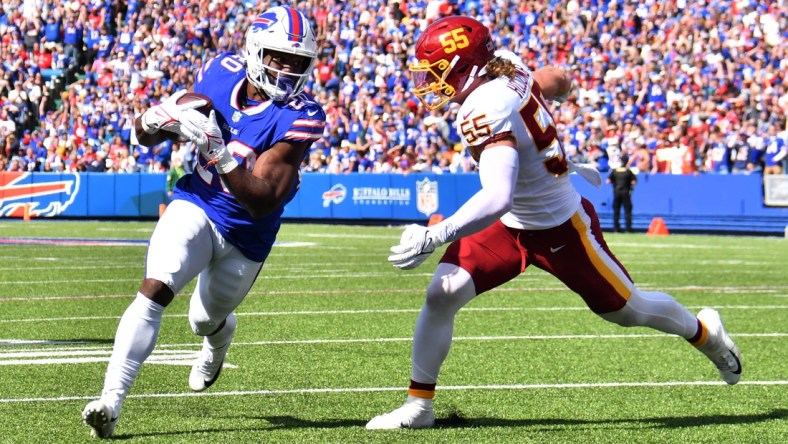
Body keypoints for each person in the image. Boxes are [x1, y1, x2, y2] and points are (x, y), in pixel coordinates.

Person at [366, 15, 742, 430]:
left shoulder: (483, 105)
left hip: (560, 225)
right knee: (443, 293)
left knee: (629, 309)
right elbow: (553, 79)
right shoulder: (504, 63)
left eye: (441, 73)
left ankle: (706, 333)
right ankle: (420, 405)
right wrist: (563, 90)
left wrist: (434, 235)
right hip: (509, 226)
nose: (432, 84)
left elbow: (496, 195)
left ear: (468, 68)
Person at [82, 6, 325, 439]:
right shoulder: (219, 72)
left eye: (298, 62)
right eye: (278, 57)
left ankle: (218, 337)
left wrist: (220, 151)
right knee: (155, 288)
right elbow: (148, 134)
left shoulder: (301, 115)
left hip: (246, 234)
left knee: (203, 320)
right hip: (198, 201)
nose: (288, 69)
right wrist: (152, 118)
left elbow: (262, 201)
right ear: (253, 50)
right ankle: (111, 401)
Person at [606, 154, 637, 232]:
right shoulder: (628, 171)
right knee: (627, 210)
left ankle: (616, 228)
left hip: (616, 192)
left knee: (616, 210)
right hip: (626, 192)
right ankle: (628, 228)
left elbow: (608, 181)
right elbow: (634, 182)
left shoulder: (615, 171)